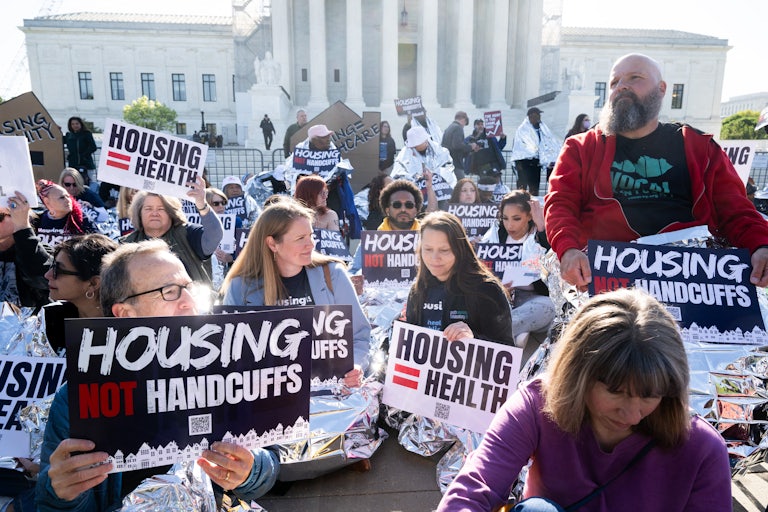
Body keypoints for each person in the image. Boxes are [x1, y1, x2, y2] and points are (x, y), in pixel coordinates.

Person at [36, 239, 280, 511]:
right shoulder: (75, 399)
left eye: (189, 287)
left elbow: (267, 467)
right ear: (125, 314)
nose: (190, 302)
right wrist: (60, 492)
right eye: (170, 291)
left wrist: (249, 469)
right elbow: (51, 504)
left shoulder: (229, 373)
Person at [438, 288, 731, 512]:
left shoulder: (703, 448)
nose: (631, 415)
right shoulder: (536, 404)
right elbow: (475, 487)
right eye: (616, 391)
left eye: (650, 395)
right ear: (578, 374)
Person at [545, 53, 768, 290]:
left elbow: (736, 211)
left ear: (661, 89)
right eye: (614, 82)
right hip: (609, 281)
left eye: (634, 78)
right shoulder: (580, 148)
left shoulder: (699, 147)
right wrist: (568, 248)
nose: (622, 87)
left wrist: (761, 246)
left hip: (692, 284)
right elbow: (560, 204)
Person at [221, 200, 371, 386]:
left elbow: (360, 336)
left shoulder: (332, 274)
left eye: (311, 236)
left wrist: (356, 365)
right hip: (272, 401)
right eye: (300, 238)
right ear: (272, 243)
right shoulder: (240, 288)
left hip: (330, 398)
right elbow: (228, 354)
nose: (310, 244)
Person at [406, 211, 514, 345]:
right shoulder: (418, 289)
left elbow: (507, 351)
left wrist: (473, 339)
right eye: (428, 249)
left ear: (459, 250)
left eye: (444, 250)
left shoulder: (487, 289)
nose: (434, 258)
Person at [481, 191, 554, 346]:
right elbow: (482, 267)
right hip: (498, 298)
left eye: (516, 219)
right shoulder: (496, 232)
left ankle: (493, 335)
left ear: (529, 216)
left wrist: (542, 229)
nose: (510, 225)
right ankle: (514, 334)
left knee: (548, 308)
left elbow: (554, 276)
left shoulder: (541, 234)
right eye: (505, 218)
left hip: (532, 300)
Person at [120, 177, 223, 286]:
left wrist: (202, 204)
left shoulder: (189, 234)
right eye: (148, 209)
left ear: (171, 213)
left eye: (161, 209)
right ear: (139, 213)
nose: (154, 213)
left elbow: (215, 235)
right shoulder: (127, 244)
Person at [42, 234, 119, 350]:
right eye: (52, 266)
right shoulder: (50, 320)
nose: (47, 275)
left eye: (58, 270)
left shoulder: (130, 327)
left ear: (93, 283)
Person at [0, 191, 52, 309]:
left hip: (30, 325)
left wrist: (23, 228)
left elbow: (42, 279)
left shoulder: (42, 250)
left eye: (0, 217)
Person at [392, 125, 453, 211]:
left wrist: (435, 175)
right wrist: (415, 180)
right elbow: (398, 175)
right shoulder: (404, 155)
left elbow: (448, 167)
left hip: (440, 194)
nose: (424, 144)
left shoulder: (439, 150)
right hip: (418, 197)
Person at [510, 107, 562, 196]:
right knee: (522, 187)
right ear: (530, 116)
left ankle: (533, 203)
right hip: (524, 163)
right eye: (537, 115)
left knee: (534, 187)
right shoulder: (523, 130)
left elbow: (548, 143)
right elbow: (519, 147)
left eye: (539, 115)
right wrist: (518, 163)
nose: (539, 117)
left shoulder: (542, 129)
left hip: (536, 163)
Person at [34, 180, 98, 246]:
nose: (68, 200)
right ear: (47, 201)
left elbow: (98, 243)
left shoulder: (81, 219)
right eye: (62, 198)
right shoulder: (37, 220)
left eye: (68, 196)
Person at [63, 116, 98, 193]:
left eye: (77, 123)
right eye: (73, 124)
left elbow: (93, 147)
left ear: (81, 124)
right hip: (73, 163)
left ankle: (92, 197)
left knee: (91, 181)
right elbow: (59, 140)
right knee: (74, 181)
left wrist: (84, 155)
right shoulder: (69, 135)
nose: (75, 125)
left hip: (86, 163)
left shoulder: (86, 134)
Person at [441, 111, 478, 180]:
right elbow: (457, 145)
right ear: (463, 119)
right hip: (456, 164)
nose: (464, 126)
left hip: (447, 163)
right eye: (465, 123)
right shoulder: (458, 128)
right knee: (461, 187)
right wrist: (471, 147)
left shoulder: (448, 128)